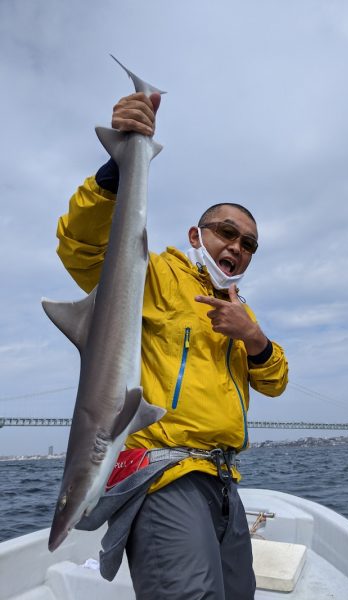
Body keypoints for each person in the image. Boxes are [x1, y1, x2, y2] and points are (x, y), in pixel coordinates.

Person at [56, 91, 288, 600]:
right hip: (164, 473)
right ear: (196, 234)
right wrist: (116, 171)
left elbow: (276, 382)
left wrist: (254, 337)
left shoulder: (239, 309)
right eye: (228, 232)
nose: (237, 247)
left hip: (223, 482)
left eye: (249, 244)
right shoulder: (156, 274)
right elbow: (83, 248)